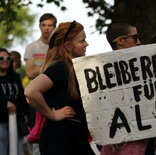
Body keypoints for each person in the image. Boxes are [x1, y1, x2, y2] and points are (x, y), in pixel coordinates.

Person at [24, 21, 94, 155]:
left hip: (76, 140)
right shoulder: (59, 68)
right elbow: (31, 91)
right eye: (82, 41)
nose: (86, 44)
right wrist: (52, 115)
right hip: (61, 142)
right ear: (68, 46)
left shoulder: (72, 68)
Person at [101, 21, 156, 155]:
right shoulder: (103, 72)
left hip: (149, 142)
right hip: (122, 145)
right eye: (135, 38)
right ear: (120, 41)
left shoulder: (147, 67)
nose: (139, 42)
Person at [23, 13, 57, 155]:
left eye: (50, 25)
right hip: (37, 96)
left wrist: (41, 69)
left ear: (54, 26)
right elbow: (30, 73)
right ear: (39, 26)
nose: (47, 28)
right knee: (37, 132)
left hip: (55, 95)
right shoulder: (32, 47)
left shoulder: (57, 47)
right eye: (44, 25)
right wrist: (50, 67)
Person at [0, 48, 29, 155]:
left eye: (8, 58)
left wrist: (26, 113)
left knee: (17, 152)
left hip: (17, 122)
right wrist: (4, 103)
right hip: (1, 122)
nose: (5, 60)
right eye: (1, 58)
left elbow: (21, 97)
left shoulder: (15, 77)